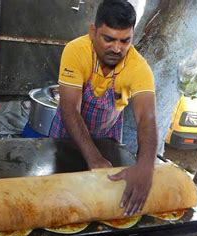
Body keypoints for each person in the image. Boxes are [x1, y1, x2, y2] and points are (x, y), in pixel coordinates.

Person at [49, 0, 158, 216]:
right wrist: (93, 157)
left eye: (125, 41)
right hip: (66, 135)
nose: (117, 49)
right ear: (93, 31)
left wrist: (146, 166)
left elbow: (147, 116)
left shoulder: (138, 67)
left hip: (107, 136)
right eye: (108, 39)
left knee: (102, 203)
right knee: (60, 197)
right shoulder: (76, 51)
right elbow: (69, 108)